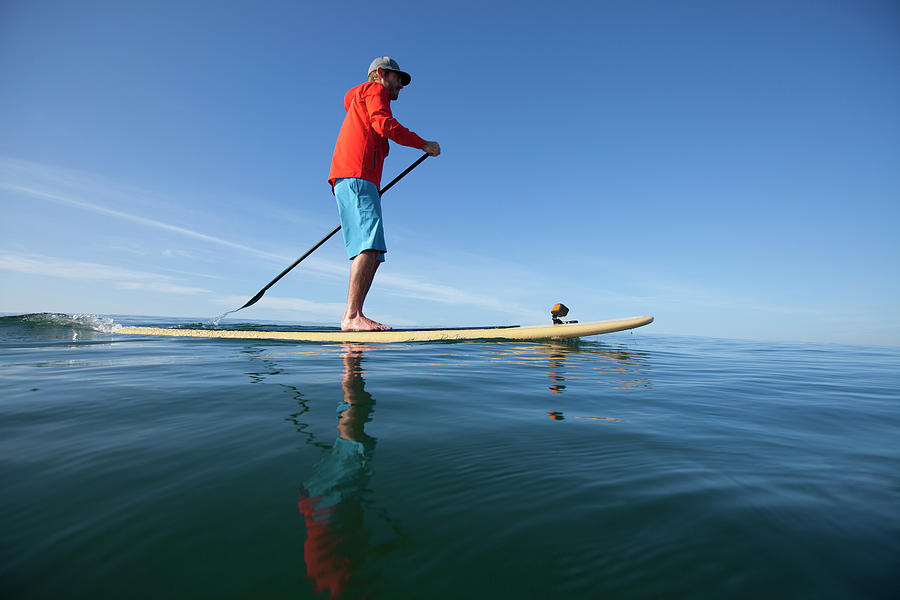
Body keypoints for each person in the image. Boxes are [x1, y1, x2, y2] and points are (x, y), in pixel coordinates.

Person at [328, 56, 440, 331]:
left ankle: (355, 315)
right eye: (398, 78)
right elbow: (384, 125)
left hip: (356, 179)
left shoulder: (360, 102)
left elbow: (376, 131)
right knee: (369, 244)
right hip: (357, 177)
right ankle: (352, 316)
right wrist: (423, 144)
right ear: (380, 74)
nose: (401, 85)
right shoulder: (374, 91)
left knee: (374, 250)